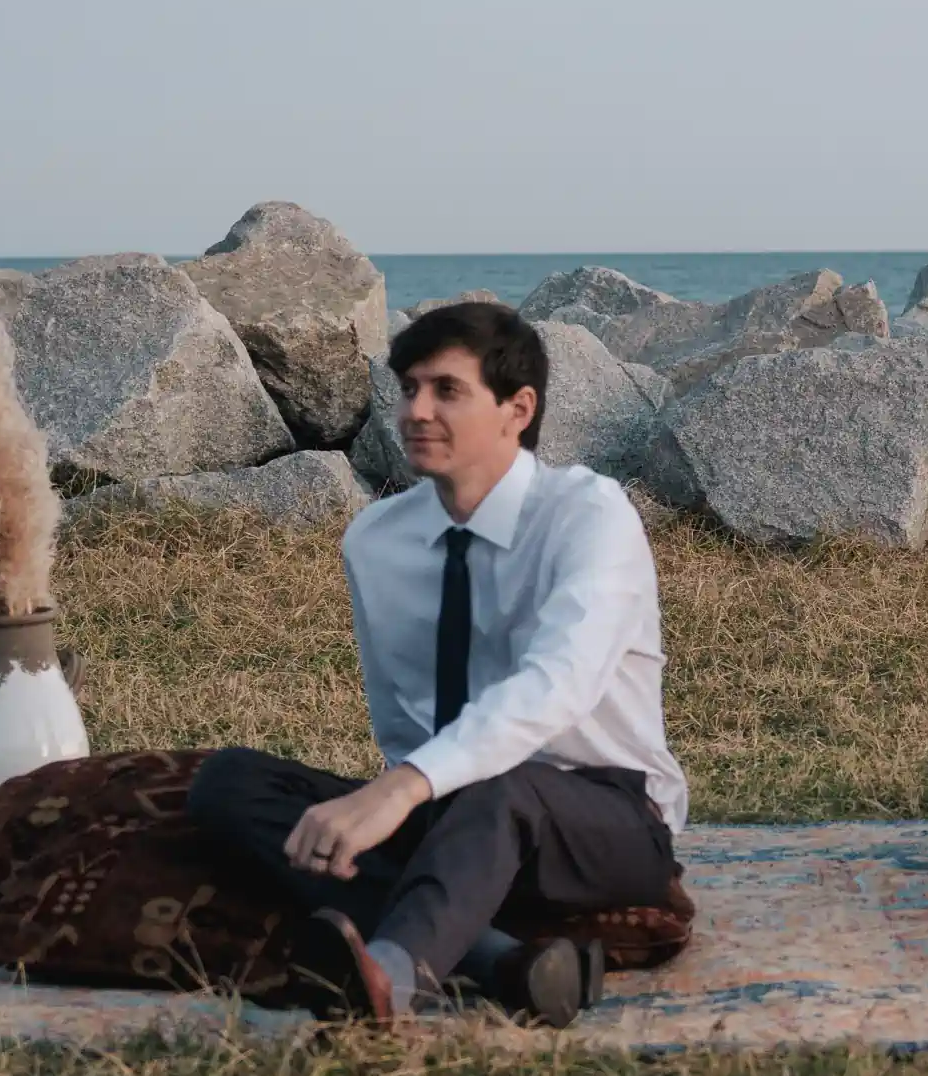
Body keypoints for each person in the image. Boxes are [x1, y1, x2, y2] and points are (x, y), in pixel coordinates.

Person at [190, 301, 687, 1025]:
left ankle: (389, 977)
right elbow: (403, 721)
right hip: (454, 815)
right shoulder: (376, 540)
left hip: (605, 821)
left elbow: (559, 684)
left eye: (446, 391)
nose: (416, 411)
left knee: (502, 788)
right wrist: (396, 794)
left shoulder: (590, 516)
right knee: (230, 786)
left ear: (518, 409)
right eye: (409, 389)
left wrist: (401, 791)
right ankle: (500, 960)